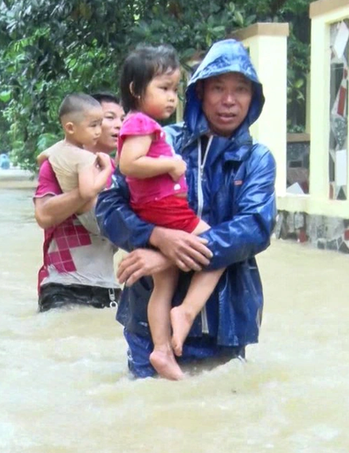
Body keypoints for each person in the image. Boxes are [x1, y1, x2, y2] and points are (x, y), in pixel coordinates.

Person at [96, 39, 277, 378]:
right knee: (148, 416)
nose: (228, 100)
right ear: (199, 93)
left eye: (240, 90)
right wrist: (154, 235)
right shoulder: (161, 140)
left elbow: (254, 228)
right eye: (218, 88)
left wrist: (168, 255)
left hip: (225, 323)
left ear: (253, 98)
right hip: (148, 319)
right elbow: (108, 205)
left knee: (218, 419)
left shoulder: (257, 160)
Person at [115, 44, 226, 380]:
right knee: (215, 246)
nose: (171, 98)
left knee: (164, 285)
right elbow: (127, 164)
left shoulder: (144, 124)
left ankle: (162, 349)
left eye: (175, 90)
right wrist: (172, 163)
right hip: (166, 210)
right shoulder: (141, 124)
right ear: (136, 90)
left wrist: (163, 253)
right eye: (163, 89)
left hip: (154, 212)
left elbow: (255, 226)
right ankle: (186, 313)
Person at [33, 93, 125, 312]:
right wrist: (85, 192)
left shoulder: (119, 172)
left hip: (107, 286)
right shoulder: (56, 164)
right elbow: (43, 215)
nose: (118, 125)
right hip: (62, 286)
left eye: (123, 118)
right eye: (108, 118)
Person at [36, 94, 114, 234]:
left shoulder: (55, 151)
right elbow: (87, 192)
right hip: (95, 216)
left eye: (100, 124)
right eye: (93, 125)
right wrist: (106, 170)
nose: (98, 131)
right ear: (70, 128)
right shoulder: (85, 158)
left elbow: (40, 158)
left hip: (87, 220)